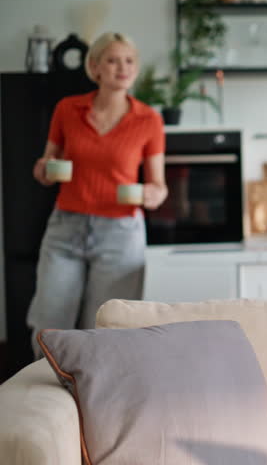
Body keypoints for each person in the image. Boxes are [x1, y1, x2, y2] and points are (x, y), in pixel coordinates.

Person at [27, 32, 168, 357]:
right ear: (95, 67)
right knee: (49, 323)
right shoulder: (68, 109)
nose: (123, 67)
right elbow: (47, 164)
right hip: (66, 228)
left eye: (129, 60)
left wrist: (151, 194)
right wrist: (44, 169)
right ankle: (47, 398)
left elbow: (158, 187)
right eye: (113, 60)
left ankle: (98, 400)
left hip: (120, 233)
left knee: (107, 327)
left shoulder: (148, 120)